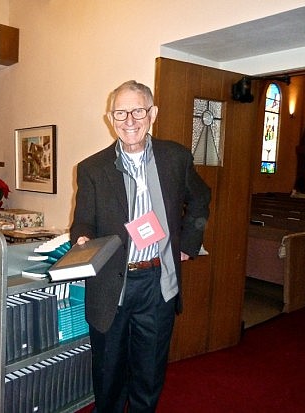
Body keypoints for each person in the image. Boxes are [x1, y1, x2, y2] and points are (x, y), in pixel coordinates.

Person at [70, 80, 211, 412]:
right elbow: (83, 220)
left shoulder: (175, 157)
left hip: (157, 283)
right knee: (108, 377)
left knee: (148, 376)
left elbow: (201, 198)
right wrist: (82, 237)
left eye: (138, 111)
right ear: (110, 117)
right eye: (121, 112)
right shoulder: (92, 168)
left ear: (153, 114)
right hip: (111, 284)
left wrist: (189, 244)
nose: (129, 120)